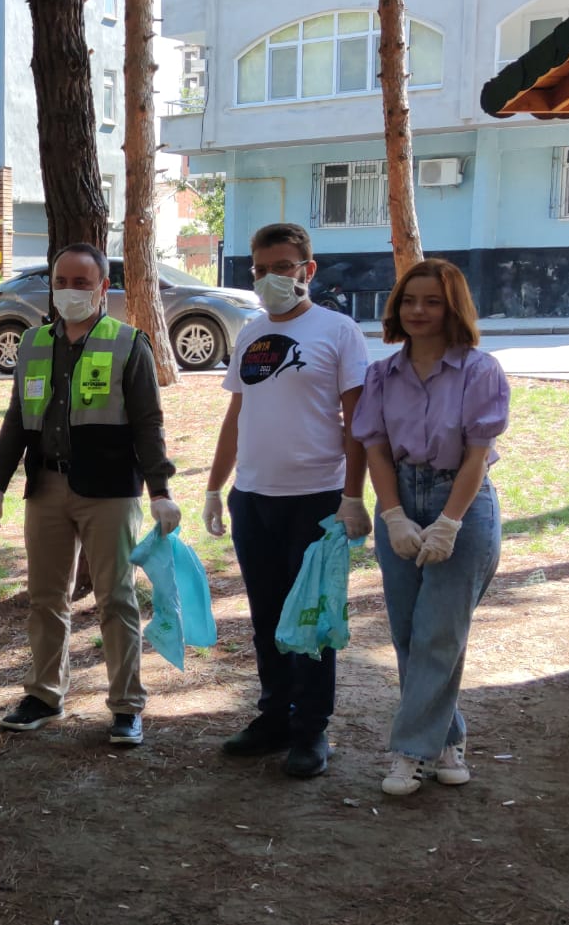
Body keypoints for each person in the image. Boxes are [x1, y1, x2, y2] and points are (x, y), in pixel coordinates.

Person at [0, 242, 179, 746]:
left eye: (81, 283)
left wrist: (159, 489)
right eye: (61, 282)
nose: (69, 291)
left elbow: (148, 424)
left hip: (110, 491)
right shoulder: (32, 344)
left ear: (102, 288)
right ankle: (45, 695)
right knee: (47, 598)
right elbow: (14, 419)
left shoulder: (128, 343)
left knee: (116, 598)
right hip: (46, 486)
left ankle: (126, 706)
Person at [203, 222, 371, 778]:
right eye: (259, 269)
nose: (270, 278)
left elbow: (359, 422)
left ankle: (310, 729)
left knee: (311, 620)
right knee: (268, 618)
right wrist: (214, 487)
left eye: (282, 267)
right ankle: (274, 718)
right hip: (253, 499)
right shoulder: (250, 334)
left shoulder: (338, 331)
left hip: (316, 499)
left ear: (307, 271)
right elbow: (236, 414)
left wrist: (352, 496)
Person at [353, 259, 508, 796]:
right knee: (409, 635)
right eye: (409, 301)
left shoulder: (480, 371)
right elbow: (373, 448)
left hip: (460, 503)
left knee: (440, 632)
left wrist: (447, 524)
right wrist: (392, 515)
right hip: (400, 494)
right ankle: (448, 738)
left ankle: (409, 752)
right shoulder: (380, 375)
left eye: (432, 302)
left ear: (453, 308)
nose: (418, 311)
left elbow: (476, 455)